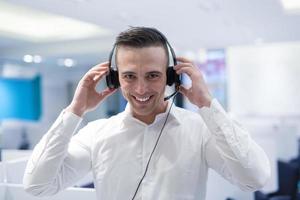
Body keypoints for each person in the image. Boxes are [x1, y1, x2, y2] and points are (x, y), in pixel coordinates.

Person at [23, 27, 270, 200]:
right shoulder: (96, 134)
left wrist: (208, 105)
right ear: (115, 78)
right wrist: (74, 111)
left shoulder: (200, 130)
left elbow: (254, 178)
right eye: (129, 76)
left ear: (172, 76)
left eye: (153, 75)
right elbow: (37, 186)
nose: (141, 89)